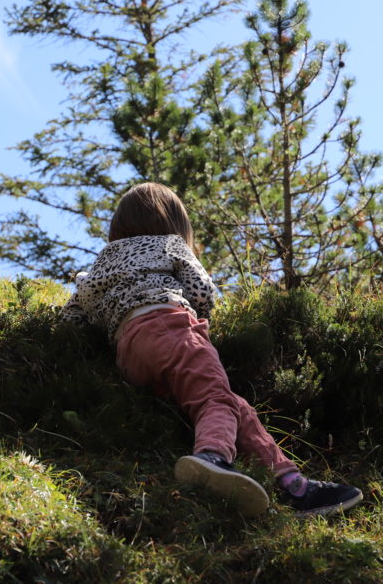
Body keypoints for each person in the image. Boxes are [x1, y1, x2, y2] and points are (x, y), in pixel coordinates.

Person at [60, 182, 363, 517]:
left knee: (236, 406)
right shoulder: (170, 244)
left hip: (129, 352)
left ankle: (292, 484)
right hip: (172, 327)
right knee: (215, 399)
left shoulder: (100, 265)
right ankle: (212, 457)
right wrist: (202, 322)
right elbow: (201, 290)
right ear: (175, 223)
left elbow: (73, 315)